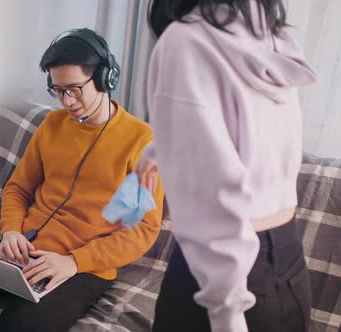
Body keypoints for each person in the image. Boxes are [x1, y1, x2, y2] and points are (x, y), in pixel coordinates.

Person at [0, 28, 164, 332]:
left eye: (75, 89)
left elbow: (141, 230)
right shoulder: (53, 125)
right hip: (24, 248)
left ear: (105, 78)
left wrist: (74, 261)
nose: (67, 101)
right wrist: (11, 232)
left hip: (80, 268)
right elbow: (18, 187)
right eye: (58, 90)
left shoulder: (141, 141)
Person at [135, 1, 316, 331]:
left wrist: (227, 311)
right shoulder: (268, 35)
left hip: (226, 272)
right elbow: (253, 136)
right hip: (289, 266)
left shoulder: (185, 40)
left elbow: (218, 196)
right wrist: (162, 147)